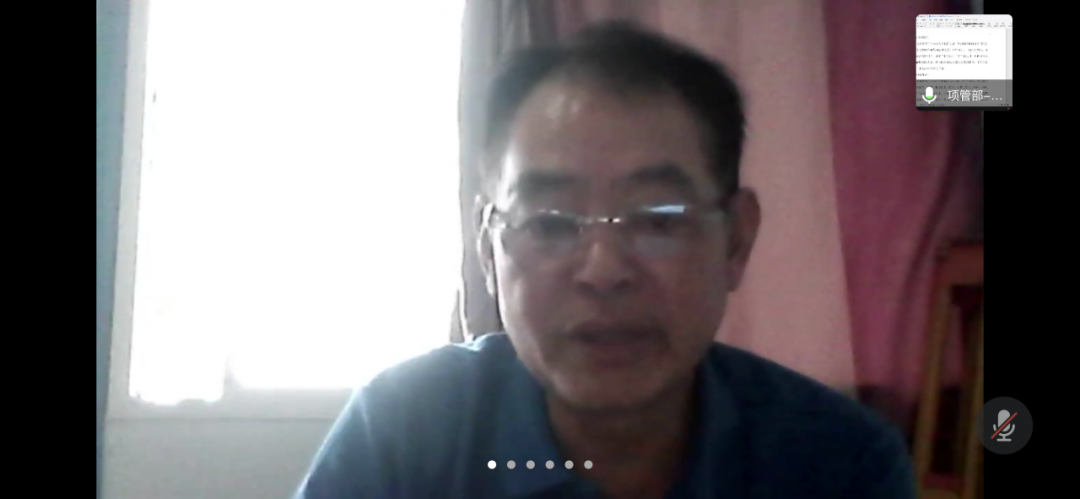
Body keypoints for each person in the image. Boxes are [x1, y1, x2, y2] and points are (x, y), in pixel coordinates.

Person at [294, 21, 915, 498]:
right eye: (549, 223)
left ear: (735, 240)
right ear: (488, 251)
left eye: (658, 220)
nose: (602, 271)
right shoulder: (404, 433)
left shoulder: (836, 462)